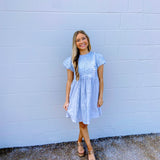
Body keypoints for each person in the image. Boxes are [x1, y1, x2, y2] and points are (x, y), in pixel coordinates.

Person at [63, 30, 106, 160]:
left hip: (91, 96)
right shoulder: (72, 60)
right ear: (75, 44)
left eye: (83, 38)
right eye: (78, 40)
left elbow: (101, 79)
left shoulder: (97, 57)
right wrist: (67, 100)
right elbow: (69, 81)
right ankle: (90, 150)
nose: (81, 42)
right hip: (77, 96)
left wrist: (100, 97)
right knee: (83, 123)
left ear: (88, 39)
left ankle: (79, 142)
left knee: (84, 123)